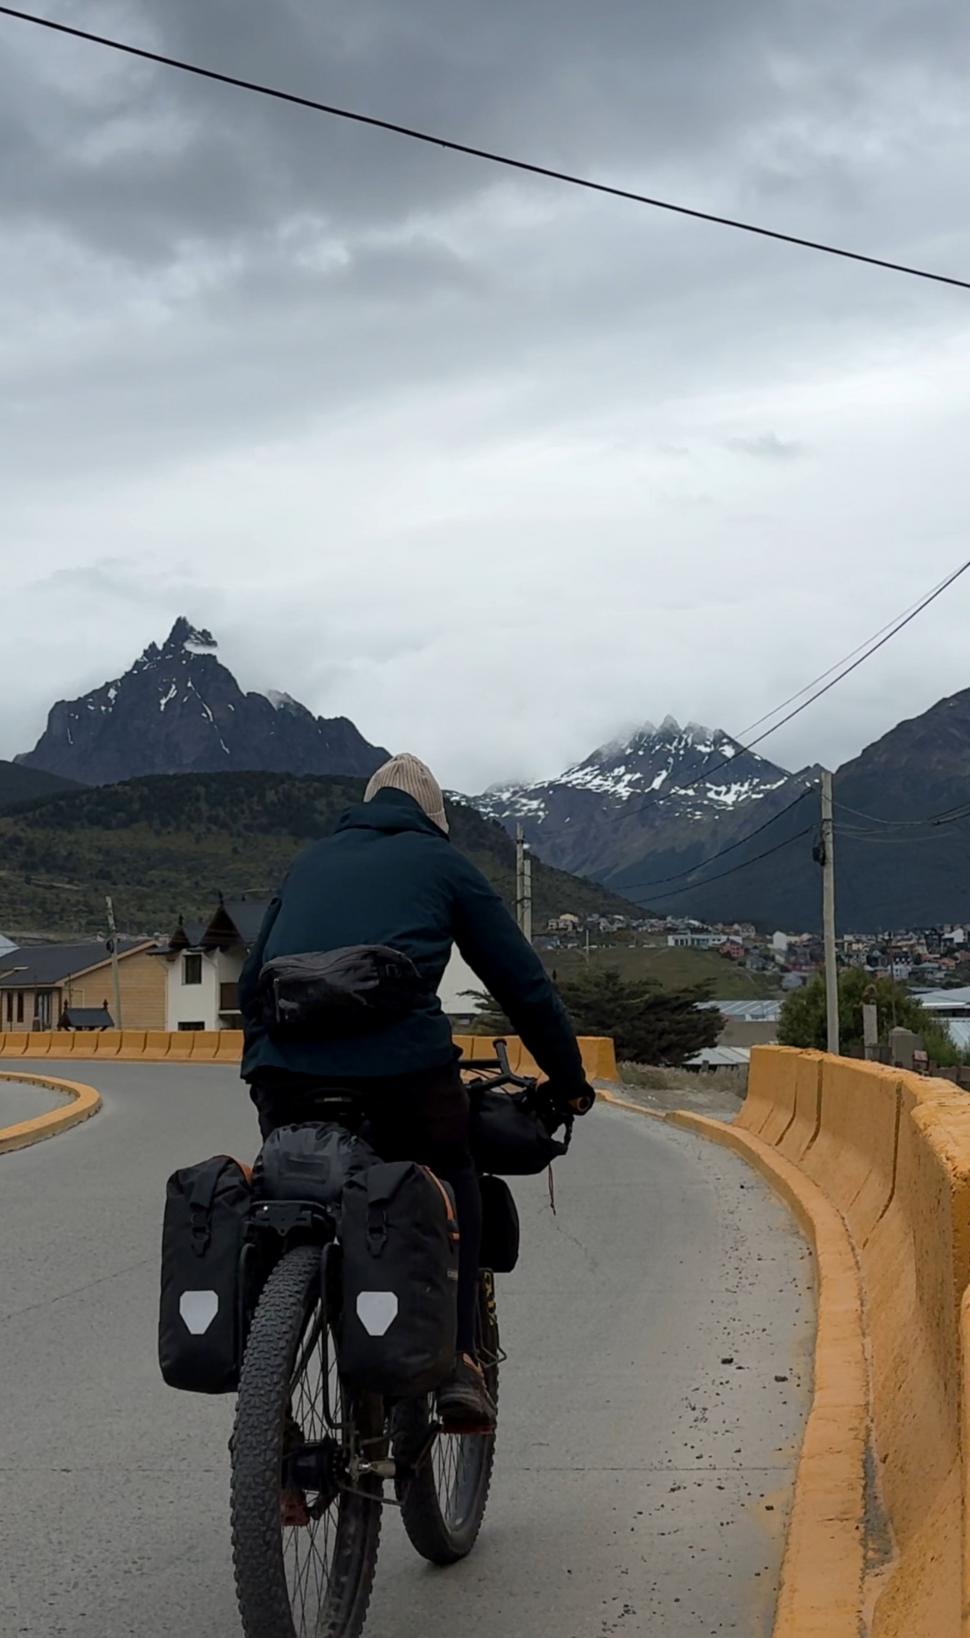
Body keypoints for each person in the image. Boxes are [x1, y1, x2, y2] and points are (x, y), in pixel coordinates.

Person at [239, 752, 591, 1433]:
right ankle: (459, 1362)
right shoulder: (444, 864)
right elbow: (523, 985)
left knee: (284, 1199)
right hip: (402, 1076)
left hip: (285, 1078)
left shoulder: (308, 862)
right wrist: (570, 1084)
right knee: (452, 1173)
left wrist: (265, 1066)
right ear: (436, 822)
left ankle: (266, 1420)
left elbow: (254, 978)